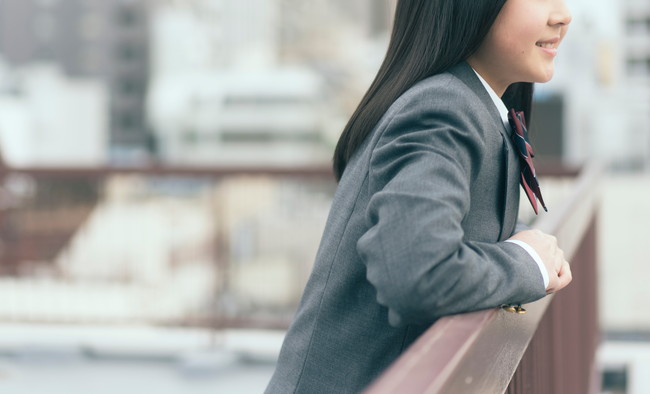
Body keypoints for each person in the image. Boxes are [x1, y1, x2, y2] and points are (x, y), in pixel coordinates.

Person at [266, 0, 573, 392]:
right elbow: (419, 270)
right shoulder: (443, 107)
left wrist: (521, 239)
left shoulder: (469, 104)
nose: (563, 15)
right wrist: (528, 262)